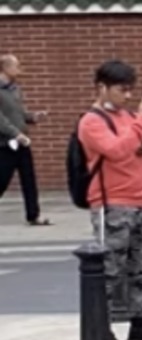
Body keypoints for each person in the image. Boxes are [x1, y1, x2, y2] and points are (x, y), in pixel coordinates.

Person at [77, 61, 142, 340]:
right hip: (112, 202)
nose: (127, 96)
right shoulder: (92, 121)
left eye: (131, 90)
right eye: (121, 90)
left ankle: (139, 323)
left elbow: (141, 149)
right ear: (102, 87)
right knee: (109, 268)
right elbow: (116, 151)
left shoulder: (129, 117)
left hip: (141, 199)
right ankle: (101, 327)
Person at [0, 53, 50, 226]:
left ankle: (33, 215)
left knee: (29, 180)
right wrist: (15, 134)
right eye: (17, 66)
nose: (20, 70)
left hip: (22, 142)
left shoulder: (15, 89)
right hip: (6, 144)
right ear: (5, 68)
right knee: (2, 179)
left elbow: (19, 114)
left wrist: (33, 117)